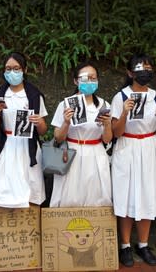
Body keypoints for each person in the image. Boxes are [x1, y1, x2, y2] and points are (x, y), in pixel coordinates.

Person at [111, 53, 156, 267]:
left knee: (148, 195)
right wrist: (124, 114)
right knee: (126, 194)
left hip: (149, 146)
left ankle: (143, 244)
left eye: (148, 67)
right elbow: (116, 132)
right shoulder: (120, 97)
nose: (145, 72)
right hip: (127, 146)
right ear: (130, 73)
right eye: (140, 68)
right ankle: (126, 245)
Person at [50, 61, 112, 207]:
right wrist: (66, 122)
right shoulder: (65, 105)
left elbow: (107, 139)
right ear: (76, 80)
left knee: (96, 196)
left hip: (96, 153)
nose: (90, 81)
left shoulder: (104, 105)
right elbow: (58, 137)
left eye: (93, 78)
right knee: (69, 196)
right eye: (85, 78)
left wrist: (107, 124)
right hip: (71, 152)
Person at [0, 52, 47, 208]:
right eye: (8, 69)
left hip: (28, 148)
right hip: (6, 146)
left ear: (25, 70)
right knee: (5, 192)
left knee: (31, 190)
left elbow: (42, 131)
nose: (12, 72)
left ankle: (32, 229)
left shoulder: (34, 95)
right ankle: (9, 230)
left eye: (16, 68)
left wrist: (39, 121)